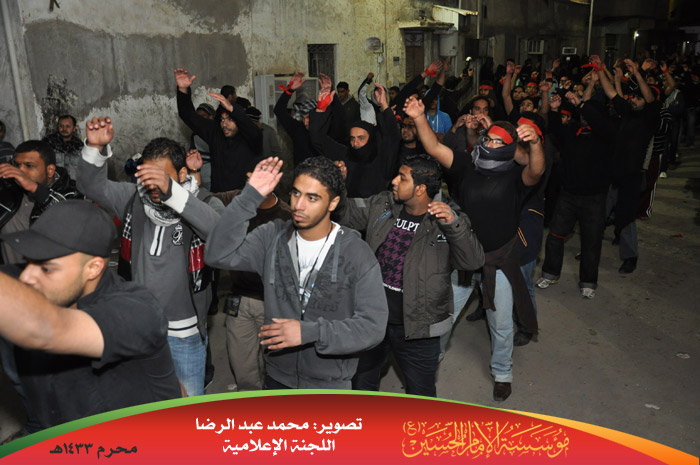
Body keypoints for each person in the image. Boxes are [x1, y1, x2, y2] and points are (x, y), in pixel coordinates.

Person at [205, 156, 388, 389]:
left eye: (312, 198)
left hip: (329, 385)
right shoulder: (271, 237)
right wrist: (249, 197)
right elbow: (216, 255)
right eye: (295, 193)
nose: (298, 205)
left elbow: (372, 327)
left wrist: (311, 332)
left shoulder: (356, 253)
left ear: (333, 203)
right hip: (277, 377)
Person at [405, 96, 543, 402]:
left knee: (501, 323)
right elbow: (434, 147)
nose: (492, 145)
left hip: (498, 261)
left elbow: (536, 170)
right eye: (489, 139)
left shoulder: (515, 175)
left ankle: (502, 373)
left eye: (499, 142)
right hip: (464, 258)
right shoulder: (467, 165)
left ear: (511, 148)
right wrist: (419, 117)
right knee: (443, 316)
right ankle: (432, 360)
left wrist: (534, 144)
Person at [0, 200, 181, 431]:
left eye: (46, 268)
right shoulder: (34, 286)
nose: (26, 278)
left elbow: (44, 329)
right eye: (27, 261)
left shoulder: (138, 310)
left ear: (93, 268)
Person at [76, 116, 224, 397]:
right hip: (139, 328)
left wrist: (172, 193)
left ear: (182, 173)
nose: (154, 186)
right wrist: (94, 149)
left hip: (185, 334)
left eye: (162, 178)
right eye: (148, 177)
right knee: (146, 404)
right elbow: (90, 186)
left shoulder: (204, 202)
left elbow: (219, 232)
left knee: (187, 408)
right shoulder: (133, 199)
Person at [340, 154, 484, 396]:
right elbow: (346, 213)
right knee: (362, 384)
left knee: (420, 394)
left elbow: (473, 261)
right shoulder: (383, 203)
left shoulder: (446, 219)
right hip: (374, 319)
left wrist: (453, 224)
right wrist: (336, 185)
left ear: (420, 189)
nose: (394, 181)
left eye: (402, 178)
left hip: (419, 329)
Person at [211, 158, 293, 391]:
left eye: (259, 180)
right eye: (249, 180)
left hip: (272, 303)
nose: (252, 186)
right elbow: (204, 199)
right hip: (239, 299)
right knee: (243, 368)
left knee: (276, 370)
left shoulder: (286, 216)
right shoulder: (237, 201)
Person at [310, 75, 400, 198]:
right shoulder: (344, 154)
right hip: (348, 208)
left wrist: (384, 104)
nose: (355, 143)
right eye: (352, 138)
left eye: (361, 138)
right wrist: (321, 107)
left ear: (371, 138)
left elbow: (392, 137)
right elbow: (318, 138)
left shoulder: (381, 158)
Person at [175, 68, 262, 192]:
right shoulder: (216, 134)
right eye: (222, 119)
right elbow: (189, 116)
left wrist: (232, 109)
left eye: (230, 119)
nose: (224, 124)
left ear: (239, 120)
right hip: (219, 197)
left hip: (245, 198)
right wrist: (183, 90)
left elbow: (253, 131)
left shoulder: (251, 139)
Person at [0, 140, 82, 265]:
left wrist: (34, 188)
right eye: (17, 165)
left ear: (50, 170)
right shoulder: (9, 188)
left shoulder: (72, 192)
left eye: (29, 166)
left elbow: (70, 221)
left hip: (51, 275)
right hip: (10, 275)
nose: (20, 171)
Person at [42, 115, 83, 179]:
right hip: (54, 183)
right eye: (61, 126)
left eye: (68, 126)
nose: (64, 129)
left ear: (74, 128)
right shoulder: (48, 143)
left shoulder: (79, 146)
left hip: (73, 183)